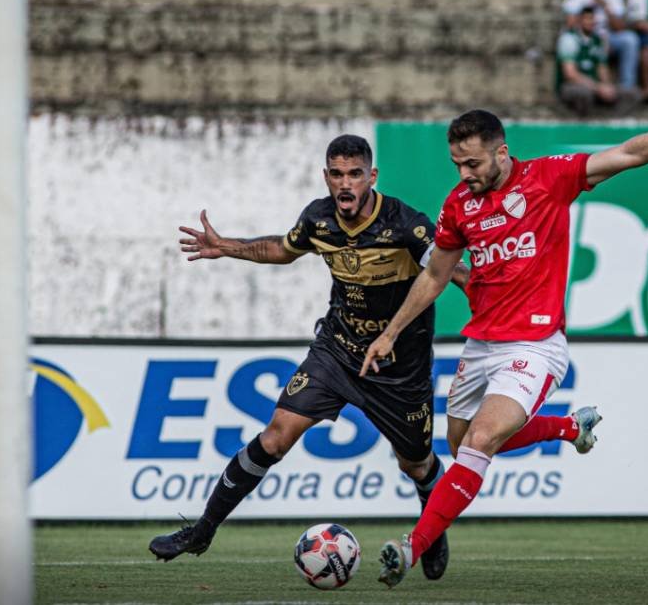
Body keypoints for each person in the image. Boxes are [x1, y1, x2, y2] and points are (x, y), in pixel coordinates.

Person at [151, 134, 600, 581]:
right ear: (326, 176)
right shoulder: (318, 219)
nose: (345, 184)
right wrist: (227, 246)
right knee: (275, 436)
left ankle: (433, 528)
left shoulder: (405, 223)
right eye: (337, 174)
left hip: (398, 368)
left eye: (354, 174)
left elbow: (445, 268)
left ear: (372, 176)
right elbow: (283, 251)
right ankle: (203, 530)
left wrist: (486, 287)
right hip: (338, 352)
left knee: (418, 464)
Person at [362, 103, 648, 588]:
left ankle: (411, 548)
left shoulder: (549, 179)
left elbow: (628, 154)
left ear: (502, 153)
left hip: (537, 342)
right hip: (481, 343)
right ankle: (569, 427)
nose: (464, 173)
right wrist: (391, 332)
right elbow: (436, 273)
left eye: (473, 163)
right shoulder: (459, 204)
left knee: (480, 442)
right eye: (457, 164)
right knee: (463, 445)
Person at [561, 0, 640, 90]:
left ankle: (627, 86)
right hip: (584, 37)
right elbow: (570, 24)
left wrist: (605, 7)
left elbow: (620, 27)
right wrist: (587, 8)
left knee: (630, 39)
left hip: (606, 36)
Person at [557, 6, 639, 115]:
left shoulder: (599, 40)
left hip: (595, 85)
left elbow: (602, 68)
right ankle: (580, 120)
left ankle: (613, 120)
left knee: (632, 93)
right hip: (573, 86)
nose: (590, 22)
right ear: (579, 20)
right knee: (584, 94)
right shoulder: (569, 39)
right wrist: (597, 88)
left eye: (592, 19)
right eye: (587, 18)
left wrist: (607, 86)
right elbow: (571, 75)